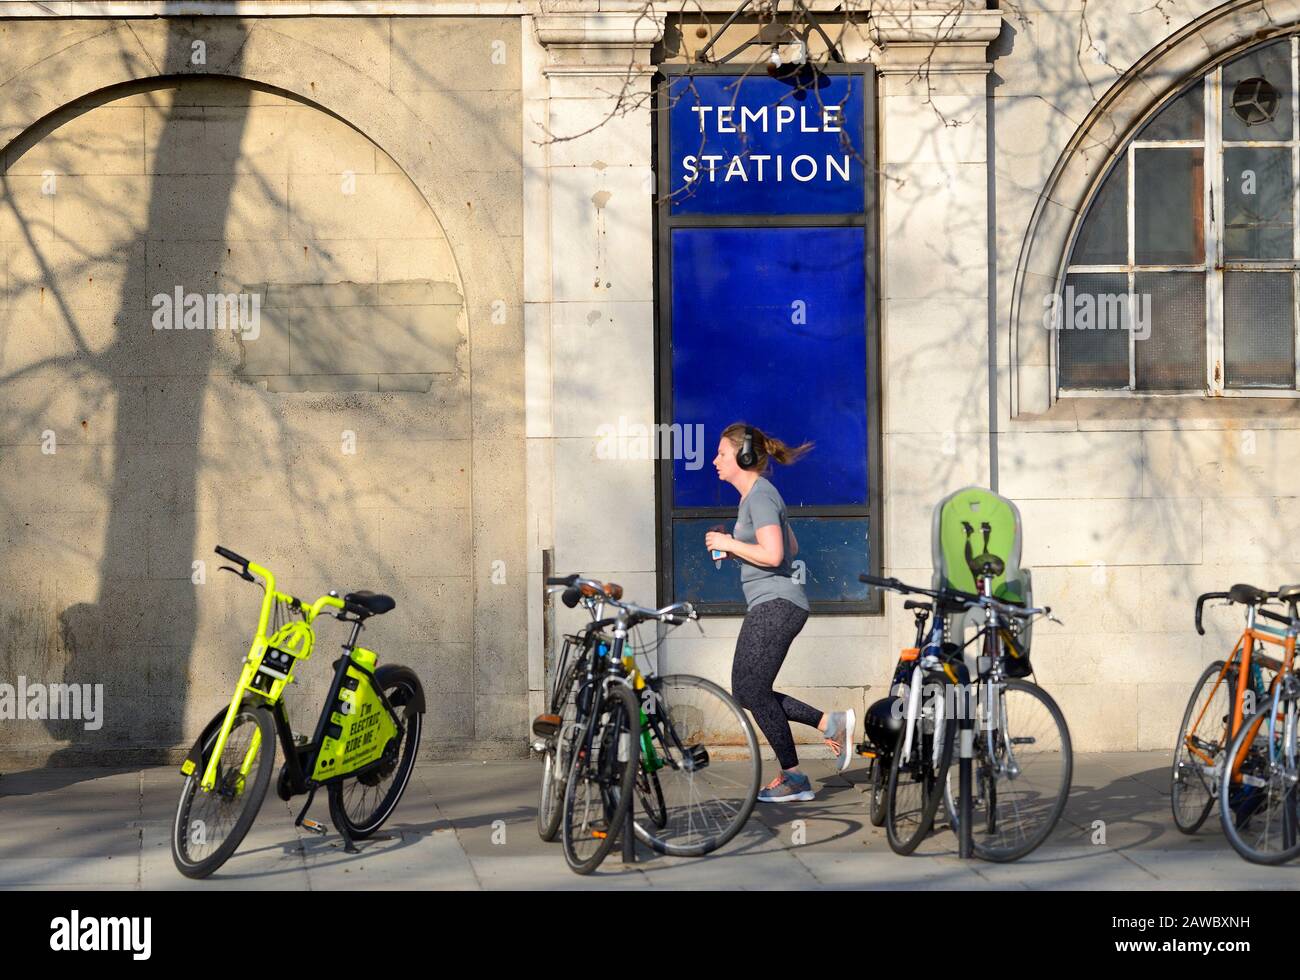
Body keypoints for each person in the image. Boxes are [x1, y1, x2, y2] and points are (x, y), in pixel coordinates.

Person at [704, 423, 856, 803]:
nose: (715, 460)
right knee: (748, 691)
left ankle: (795, 776)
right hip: (775, 603)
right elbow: (791, 543)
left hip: (776, 604)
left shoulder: (758, 496)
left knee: (750, 689)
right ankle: (828, 724)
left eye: (722, 453)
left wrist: (729, 543)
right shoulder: (758, 498)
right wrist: (738, 541)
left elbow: (774, 555)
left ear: (743, 456)